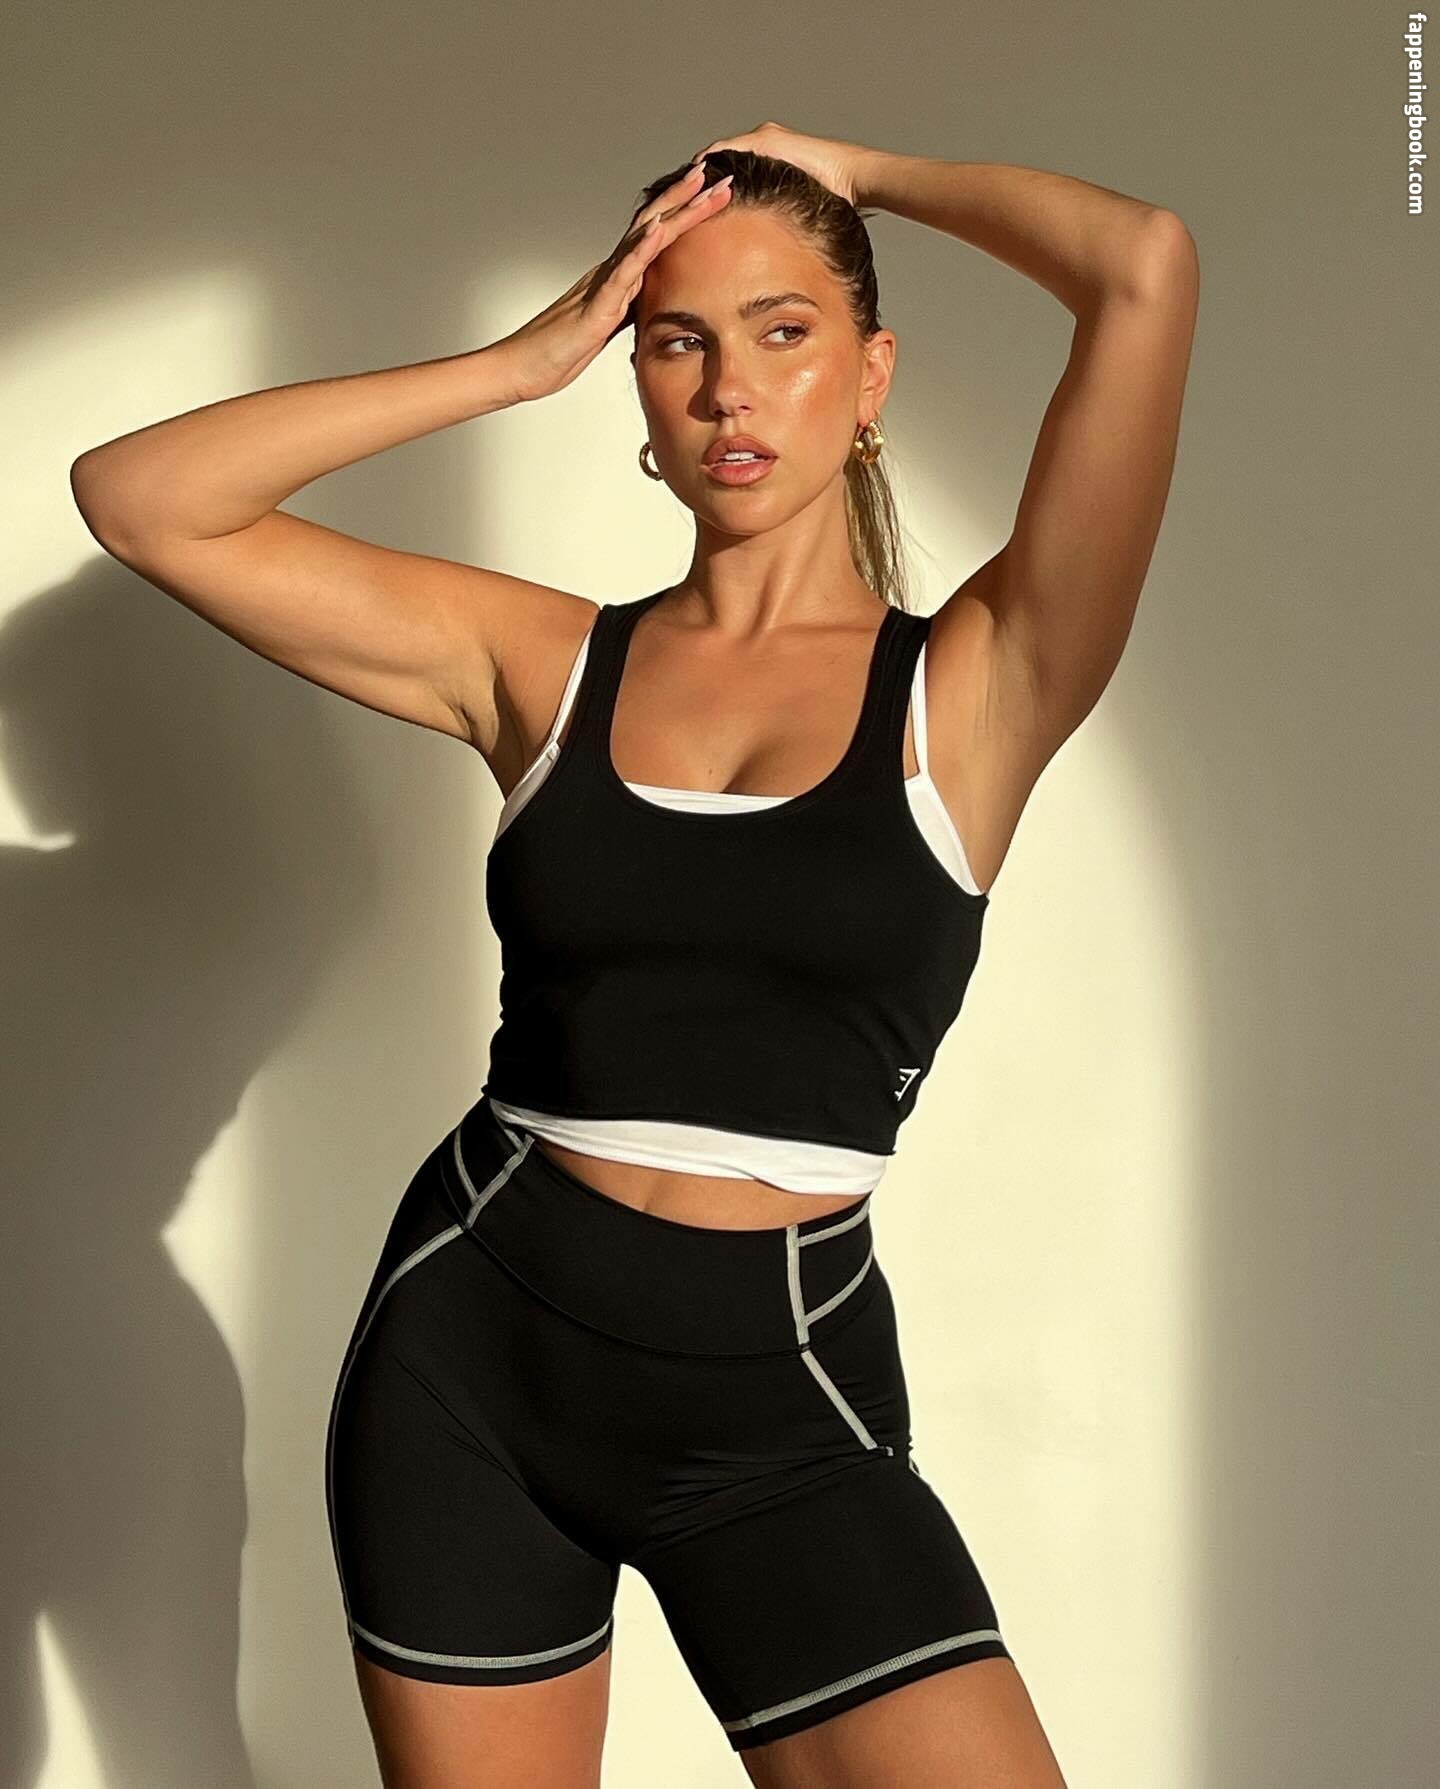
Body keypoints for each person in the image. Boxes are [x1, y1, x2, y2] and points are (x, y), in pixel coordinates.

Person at [71, 120, 1198, 1788]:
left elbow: (1144, 266)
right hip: (472, 1360)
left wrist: (856, 171)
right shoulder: (543, 664)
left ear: (872, 375)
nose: (730, 388)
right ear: (639, 389)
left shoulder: (981, 682)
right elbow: (141, 499)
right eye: (678, 342)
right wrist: (518, 363)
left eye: (784, 331)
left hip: (777, 1407)